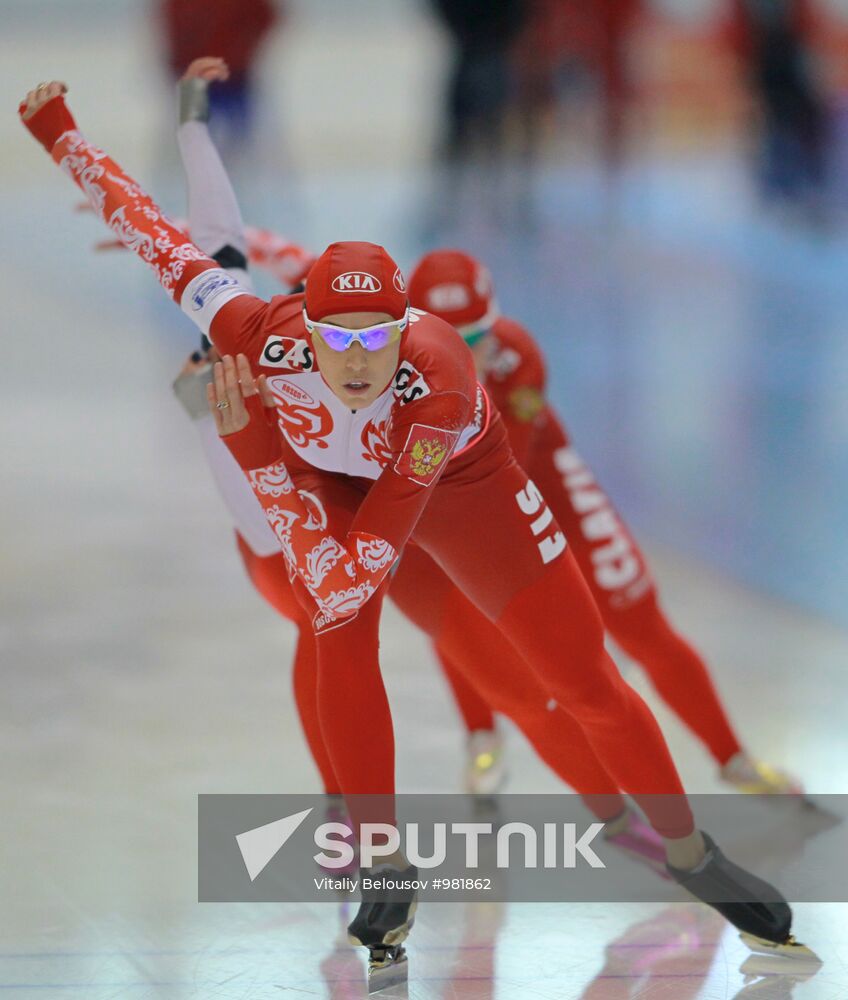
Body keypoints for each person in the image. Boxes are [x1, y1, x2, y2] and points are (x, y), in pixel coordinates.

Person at [20, 80, 810, 972]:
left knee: (582, 682)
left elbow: (361, 563)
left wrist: (251, 448)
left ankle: (690, 851)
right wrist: (62, 138)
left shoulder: (437, 385)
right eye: (337, 341)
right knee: (337, 638)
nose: (357, 363)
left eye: (377, 340)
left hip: (458, 489)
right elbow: (155, 235)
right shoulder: (248, 329)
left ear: (406, 329)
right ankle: (386, 864)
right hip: (341, 482)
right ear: (299, 329)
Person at [404, 248, 804, 798]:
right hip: (473, 510)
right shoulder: (398, 372)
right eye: (454, 338)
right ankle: (481, 739)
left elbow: (502, 475)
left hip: (549, 496)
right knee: (450, 611)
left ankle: (734, 759)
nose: (467, 352)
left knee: (643, 629)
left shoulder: (516, 356)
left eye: (477, 336)